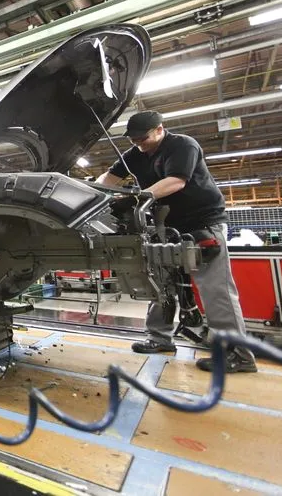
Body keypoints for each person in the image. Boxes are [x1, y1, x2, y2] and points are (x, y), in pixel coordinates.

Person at [96, 111, 257, 373]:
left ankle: (239, 355)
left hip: (202, 225)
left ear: (160, 129)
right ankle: (160, 339)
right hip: (166, 227)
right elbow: (108, 178)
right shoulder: (136, 153)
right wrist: (99, 193)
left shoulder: (183, 145)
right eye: (134, 140)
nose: (139, 144)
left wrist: (138, 196)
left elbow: (176, 182)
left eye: (143, 138)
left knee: (215, 290)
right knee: (161, 282)